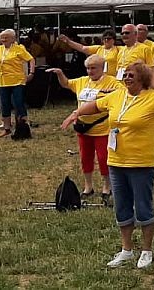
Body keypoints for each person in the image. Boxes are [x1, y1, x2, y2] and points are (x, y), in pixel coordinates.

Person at [60, 62, 154, 269]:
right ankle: (127, 250)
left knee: (143, 207)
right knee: (122, 207)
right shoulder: (117, 95)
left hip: (141, 163)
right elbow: (96, 106)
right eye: (125, 75)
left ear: (142, 78)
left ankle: (146, 251)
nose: (127, 78)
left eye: (131, 75)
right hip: (116, 162)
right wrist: (76, 113)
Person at [49, 55, 122, 199]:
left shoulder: (112, 82)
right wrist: (60, 74)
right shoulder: (82, 81)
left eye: (93, 68)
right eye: (88, 68)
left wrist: (111, 93)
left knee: (103, 158)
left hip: (102, 129)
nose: (90, 71)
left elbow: (123, 94)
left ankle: (107, 187)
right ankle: (88, 187)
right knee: (85, 158)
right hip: (83, 128)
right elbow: (66, 84)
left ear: (102, 68)